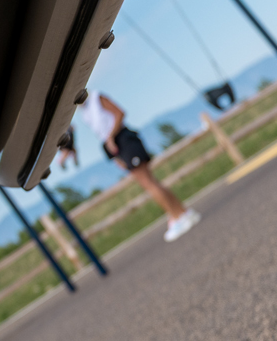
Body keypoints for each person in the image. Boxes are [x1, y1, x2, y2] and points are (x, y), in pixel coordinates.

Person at [76, 91, 199, 241]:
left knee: (149, 183)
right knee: (151, 182)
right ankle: (182, 213)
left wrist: (111, 137)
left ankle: (177, 217)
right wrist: (115, 156)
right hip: (118, 147)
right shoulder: (85, 113)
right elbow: (101, 134)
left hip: (124, 140)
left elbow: (119, 113)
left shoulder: (97, 98)